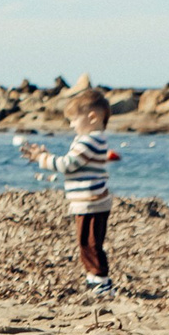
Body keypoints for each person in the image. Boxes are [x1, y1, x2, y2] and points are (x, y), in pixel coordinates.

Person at [21, 86, 117, 295]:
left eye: (74, 120)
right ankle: (93, 278)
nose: (72, 125)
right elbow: (71, 162)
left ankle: (101, 281)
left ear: (92, 117)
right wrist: (46, 156)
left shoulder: (90, 141)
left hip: (91, 201)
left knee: (90, 242)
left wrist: (42, 158)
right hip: (88, 201)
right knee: (86, 242)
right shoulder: (94, 140)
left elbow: (67, 164)